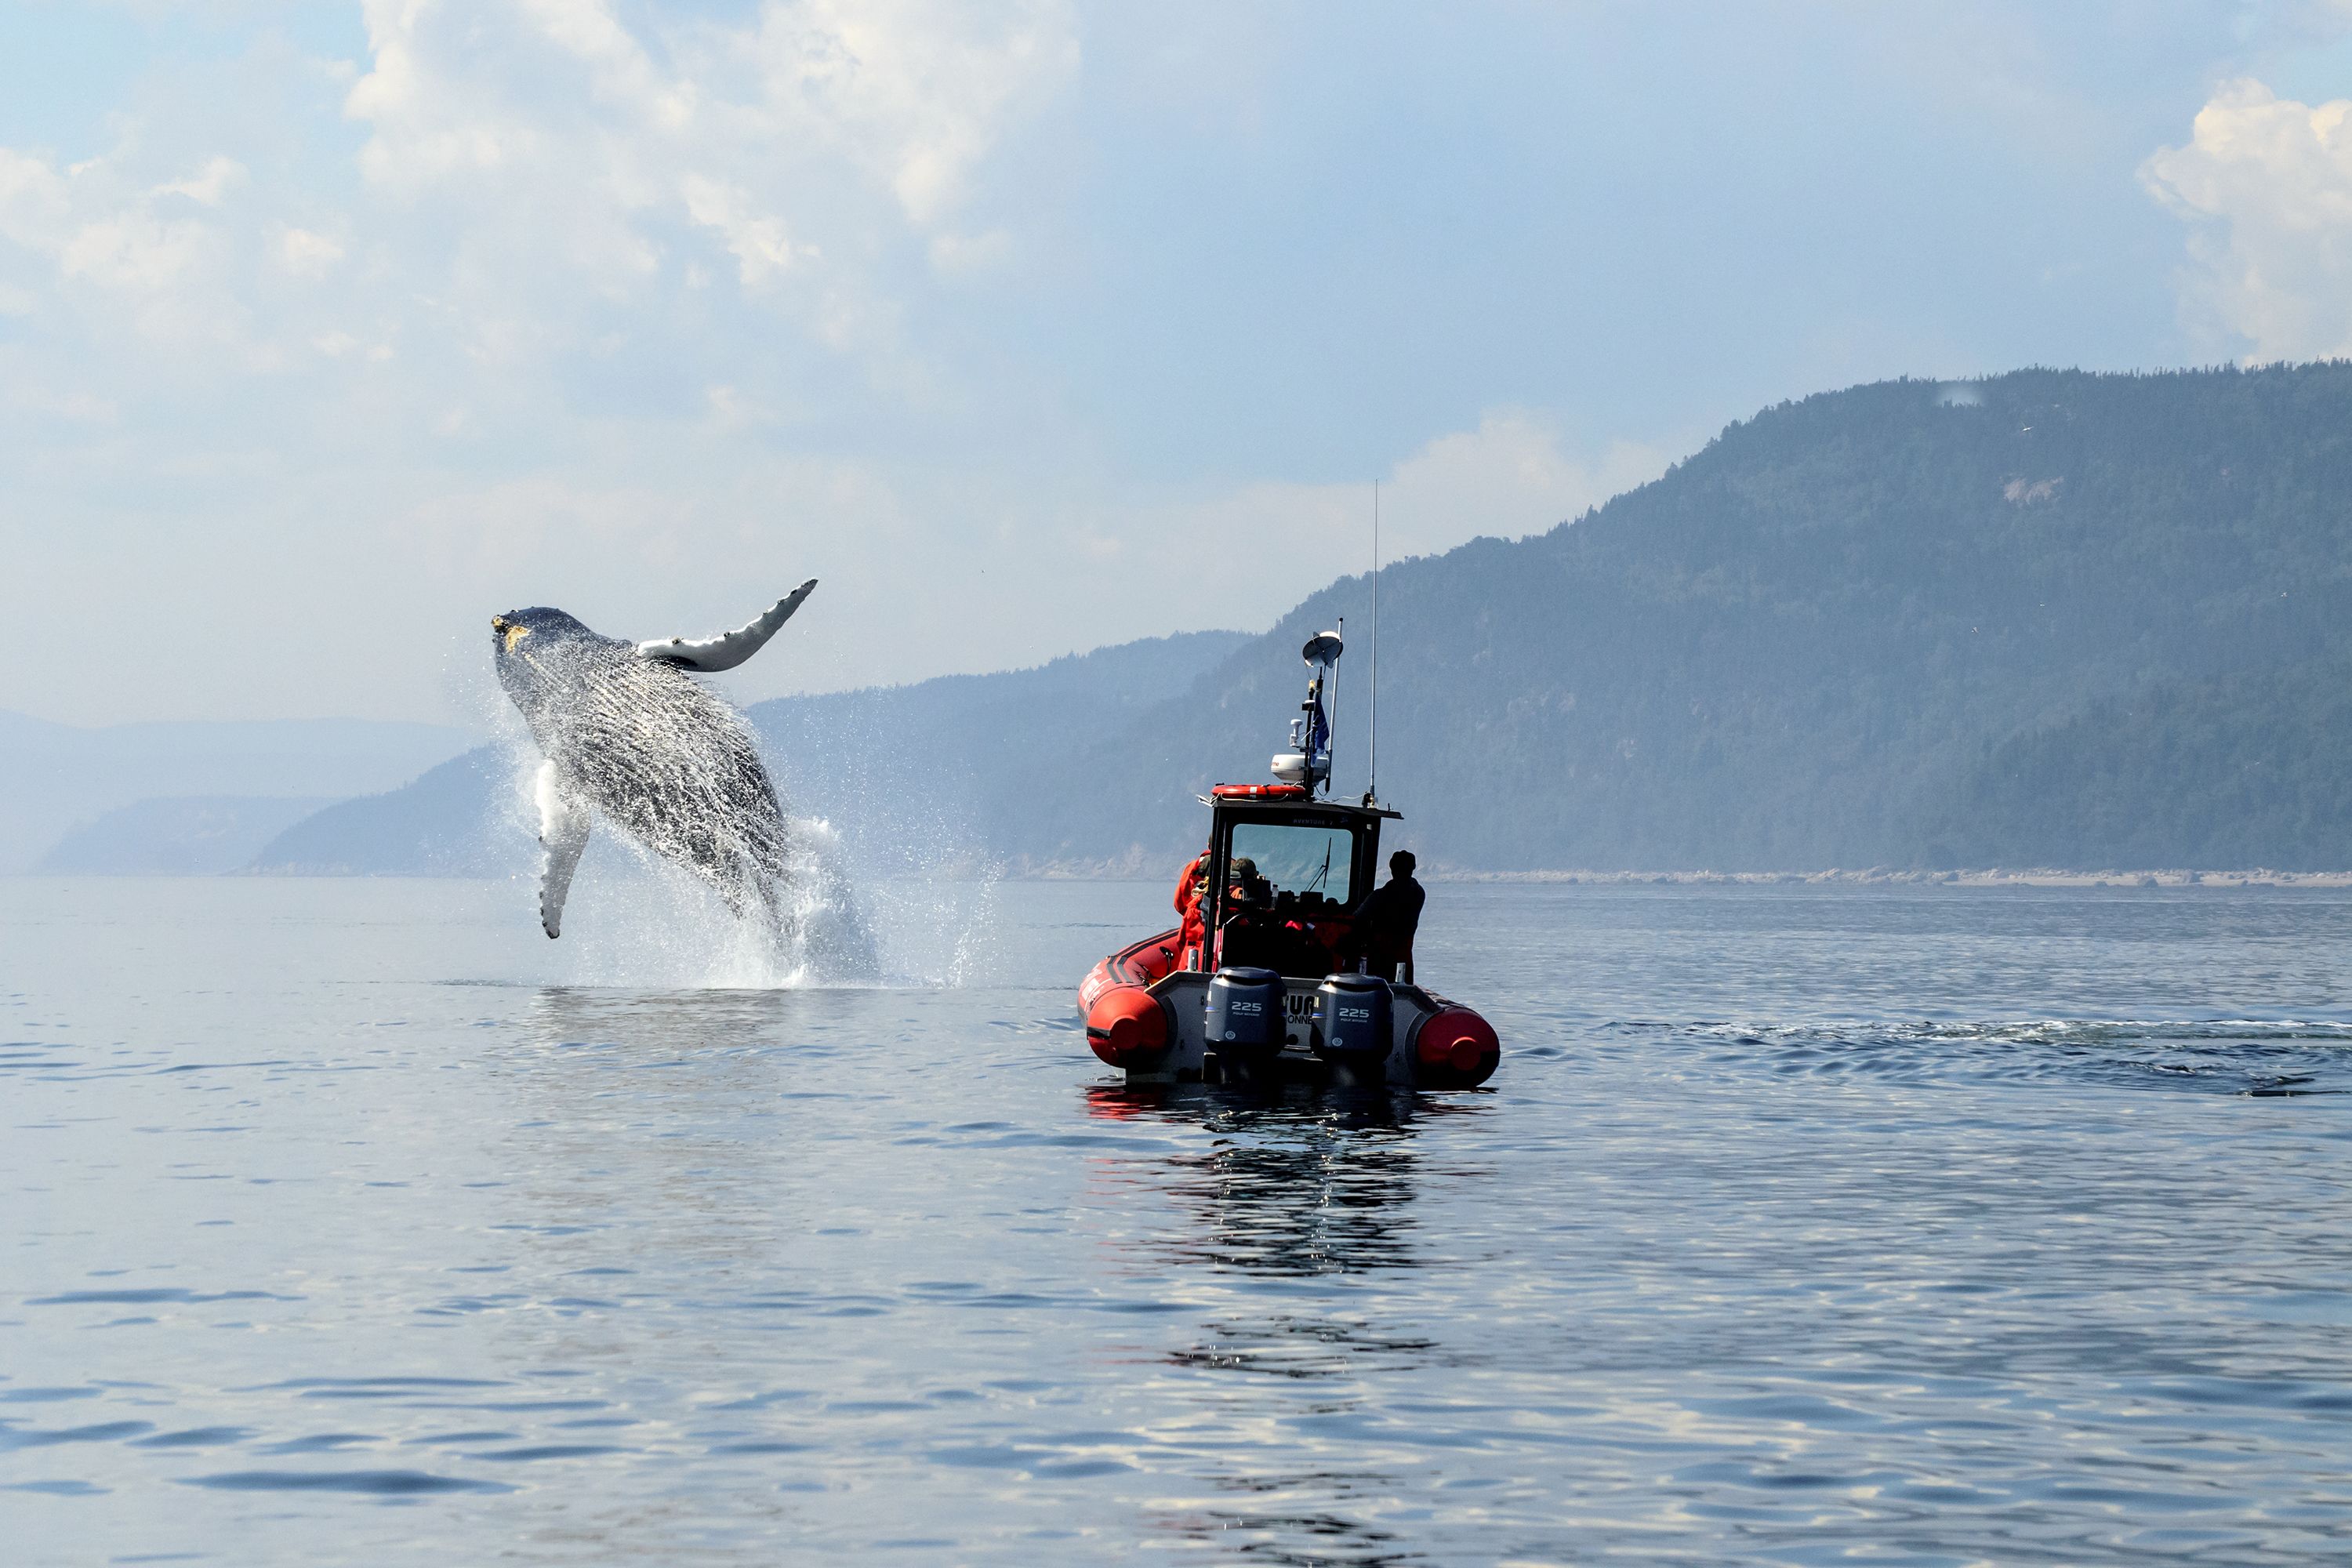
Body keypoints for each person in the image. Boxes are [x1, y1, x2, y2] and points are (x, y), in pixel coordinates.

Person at [1352, 849, 1425, 982]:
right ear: (1412, 868)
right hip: (1405, 956)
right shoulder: (1418, 893)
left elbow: (1357, 918)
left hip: (1380, 957)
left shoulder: (1380, 895)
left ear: (1392, 869)